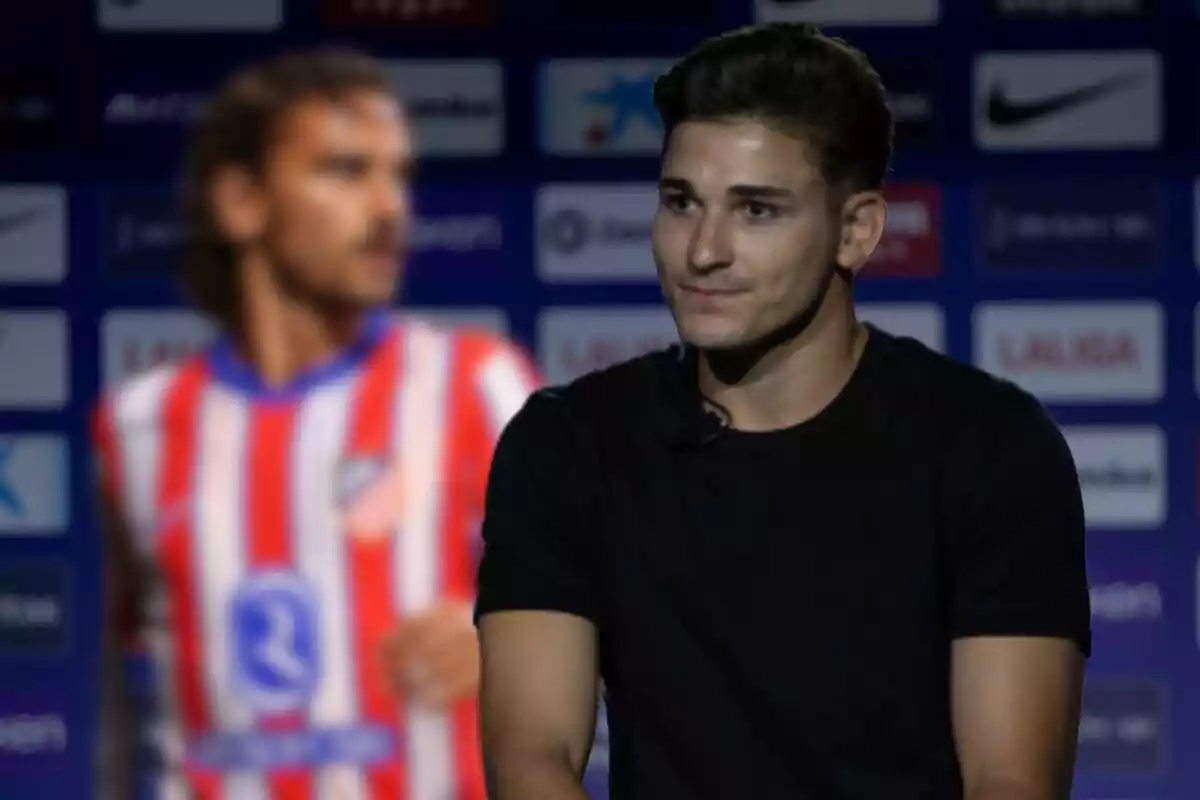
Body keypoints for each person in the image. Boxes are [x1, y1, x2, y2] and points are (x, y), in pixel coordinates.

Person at [475, 22, 1089, 800]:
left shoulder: (989, 446)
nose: (702, 251)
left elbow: (1010, 782)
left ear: (857, 230)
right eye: (680, 202)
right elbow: (533, 756)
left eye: (756, 211)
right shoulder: (567, 444)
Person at [90, 48, 539, 800]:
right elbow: (125, 700)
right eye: (345, 171)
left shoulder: (475, 387)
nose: (390, 206)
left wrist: (512, 638)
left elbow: (625, 607)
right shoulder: (141, 426)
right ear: (241, 201)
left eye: (397, 175)